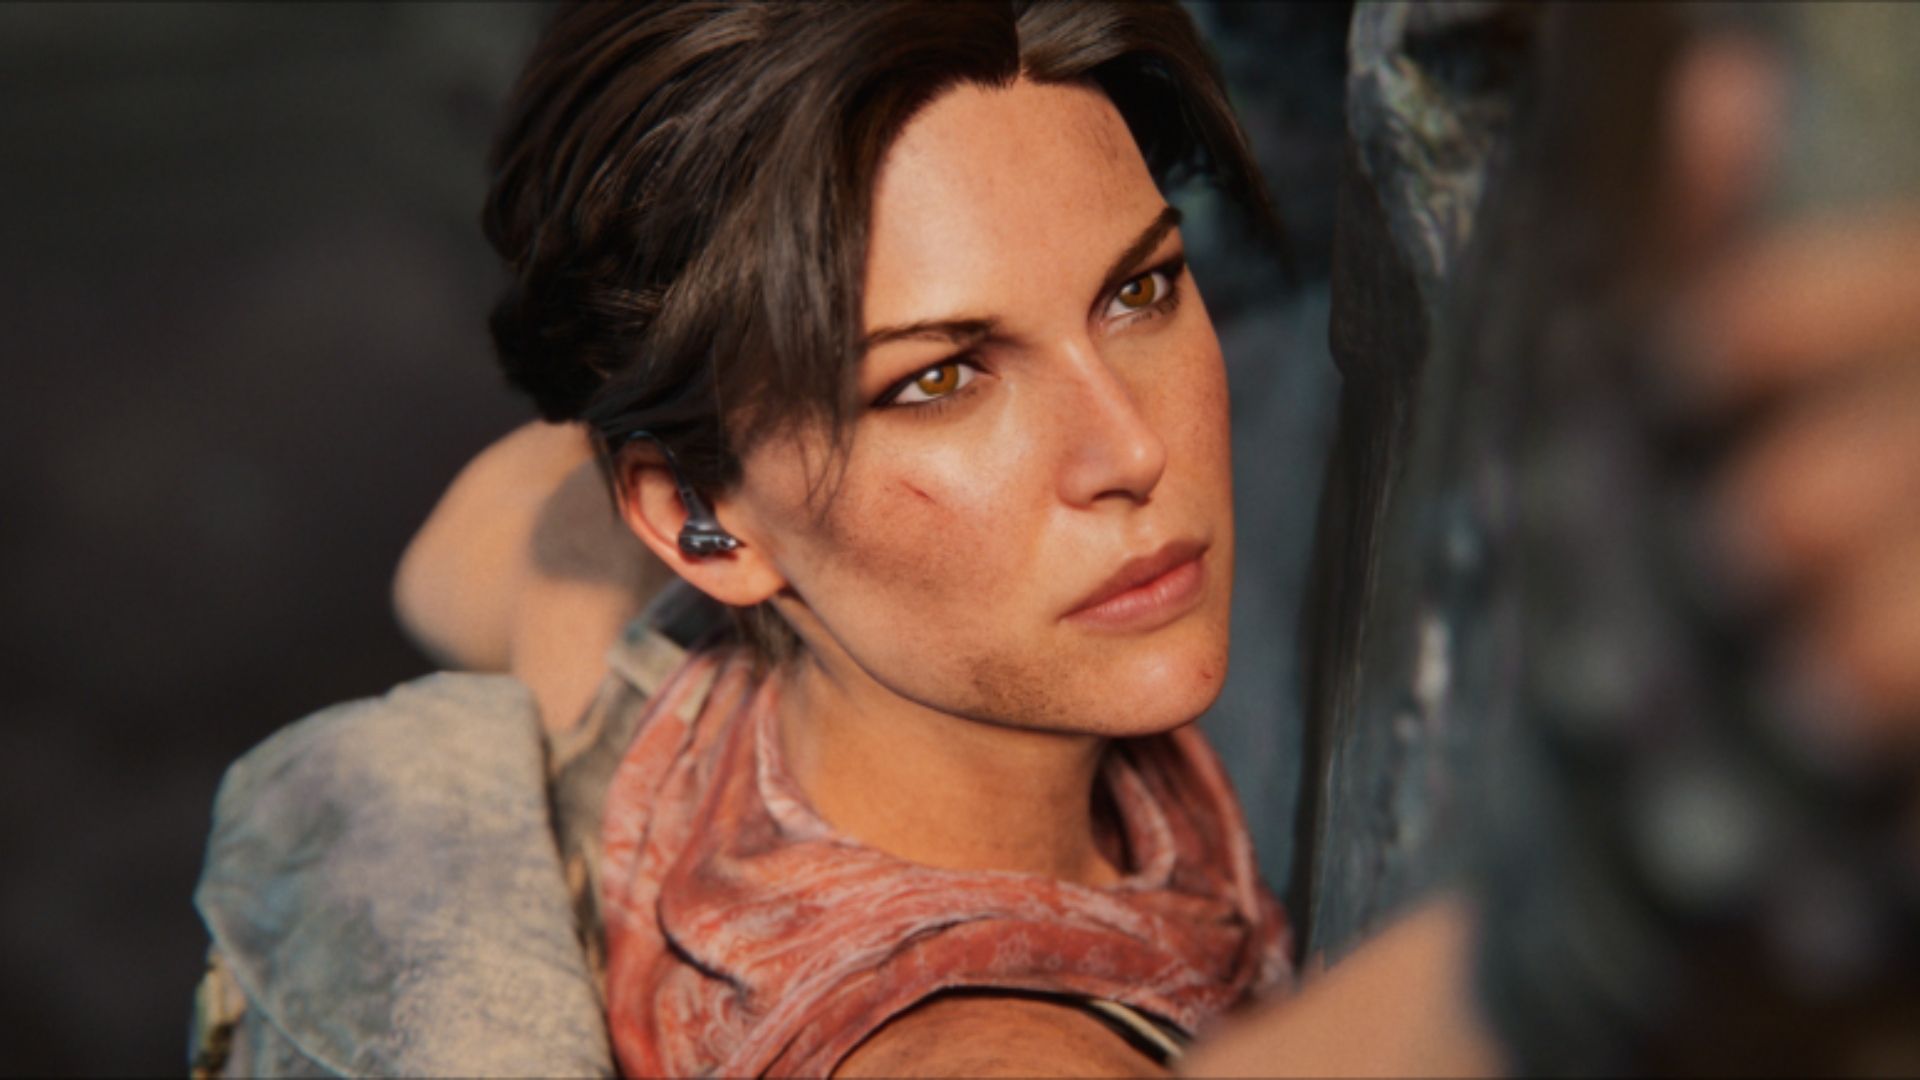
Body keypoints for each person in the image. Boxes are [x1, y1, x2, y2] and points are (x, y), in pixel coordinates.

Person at [194, 2, 1920, 1076]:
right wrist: (1568, 947)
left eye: (1139, 290)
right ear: (704, 521)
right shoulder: (965, 1040)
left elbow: (482, 531)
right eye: (943, 378)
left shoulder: (647, 694)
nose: (1129, 449)